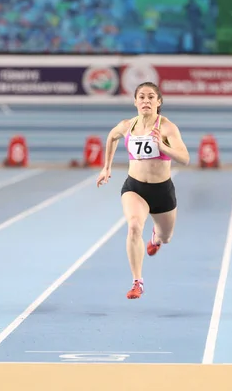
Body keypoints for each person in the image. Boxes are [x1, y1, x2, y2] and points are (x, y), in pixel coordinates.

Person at [96, 81, 190, 300]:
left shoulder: (167, 127)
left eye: (150, 97)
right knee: (134, 226)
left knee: (166, 237)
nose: (146, 101)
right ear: (135, 101)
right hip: (135, 188)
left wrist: (163, 146)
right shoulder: (127, 125)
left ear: (159, 102)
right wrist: (107, 167)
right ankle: (137, 281)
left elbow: (185, 158)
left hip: (162, 191)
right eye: (142, 97)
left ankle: (156, 238)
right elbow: (111, 137)